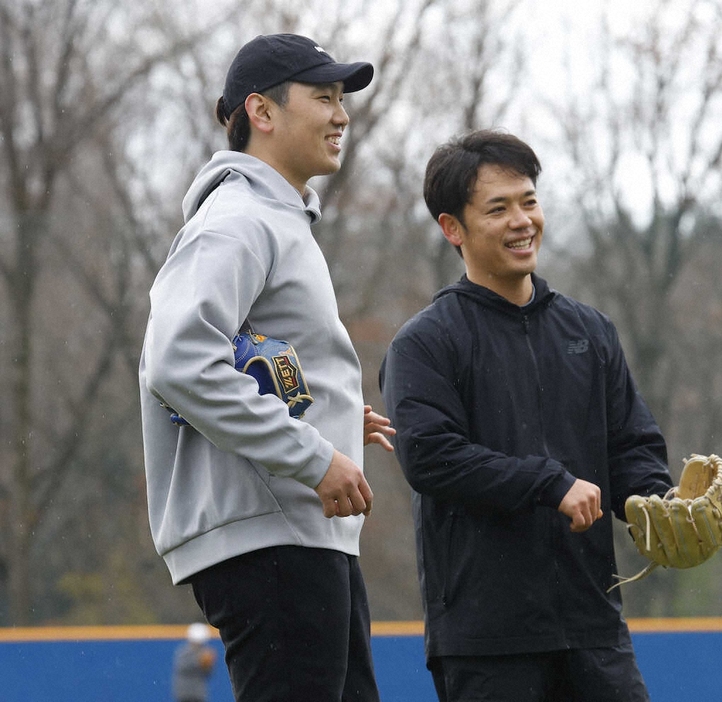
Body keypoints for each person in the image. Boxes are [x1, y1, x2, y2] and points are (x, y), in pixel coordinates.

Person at [139, 33, 394, 702]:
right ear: (262, 111)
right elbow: (177, 361)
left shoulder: (276, 217)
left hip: (302, 532)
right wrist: (311, 455)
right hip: (269, 535)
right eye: (323, 97)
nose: (341, 115)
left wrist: (331, 417)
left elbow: (245, 355)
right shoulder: (238, 217)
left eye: (342, 99)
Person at [379, 130, 674, 702]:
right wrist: (550, 483)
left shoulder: (591, 331)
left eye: (529, 201)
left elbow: (631, 446)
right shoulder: (425, 343)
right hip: (487, 643)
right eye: (499, 208)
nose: (522, 221)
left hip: (594, 628)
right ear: (452, 229)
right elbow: (431, 457)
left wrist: (656, 503)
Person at [172, 623, 217, 702]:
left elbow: (207, 673)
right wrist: (199, 661)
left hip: (198, 693)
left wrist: (208, 665)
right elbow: (183, 666)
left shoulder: (205, 652)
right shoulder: (184, 652)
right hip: (184, 693)